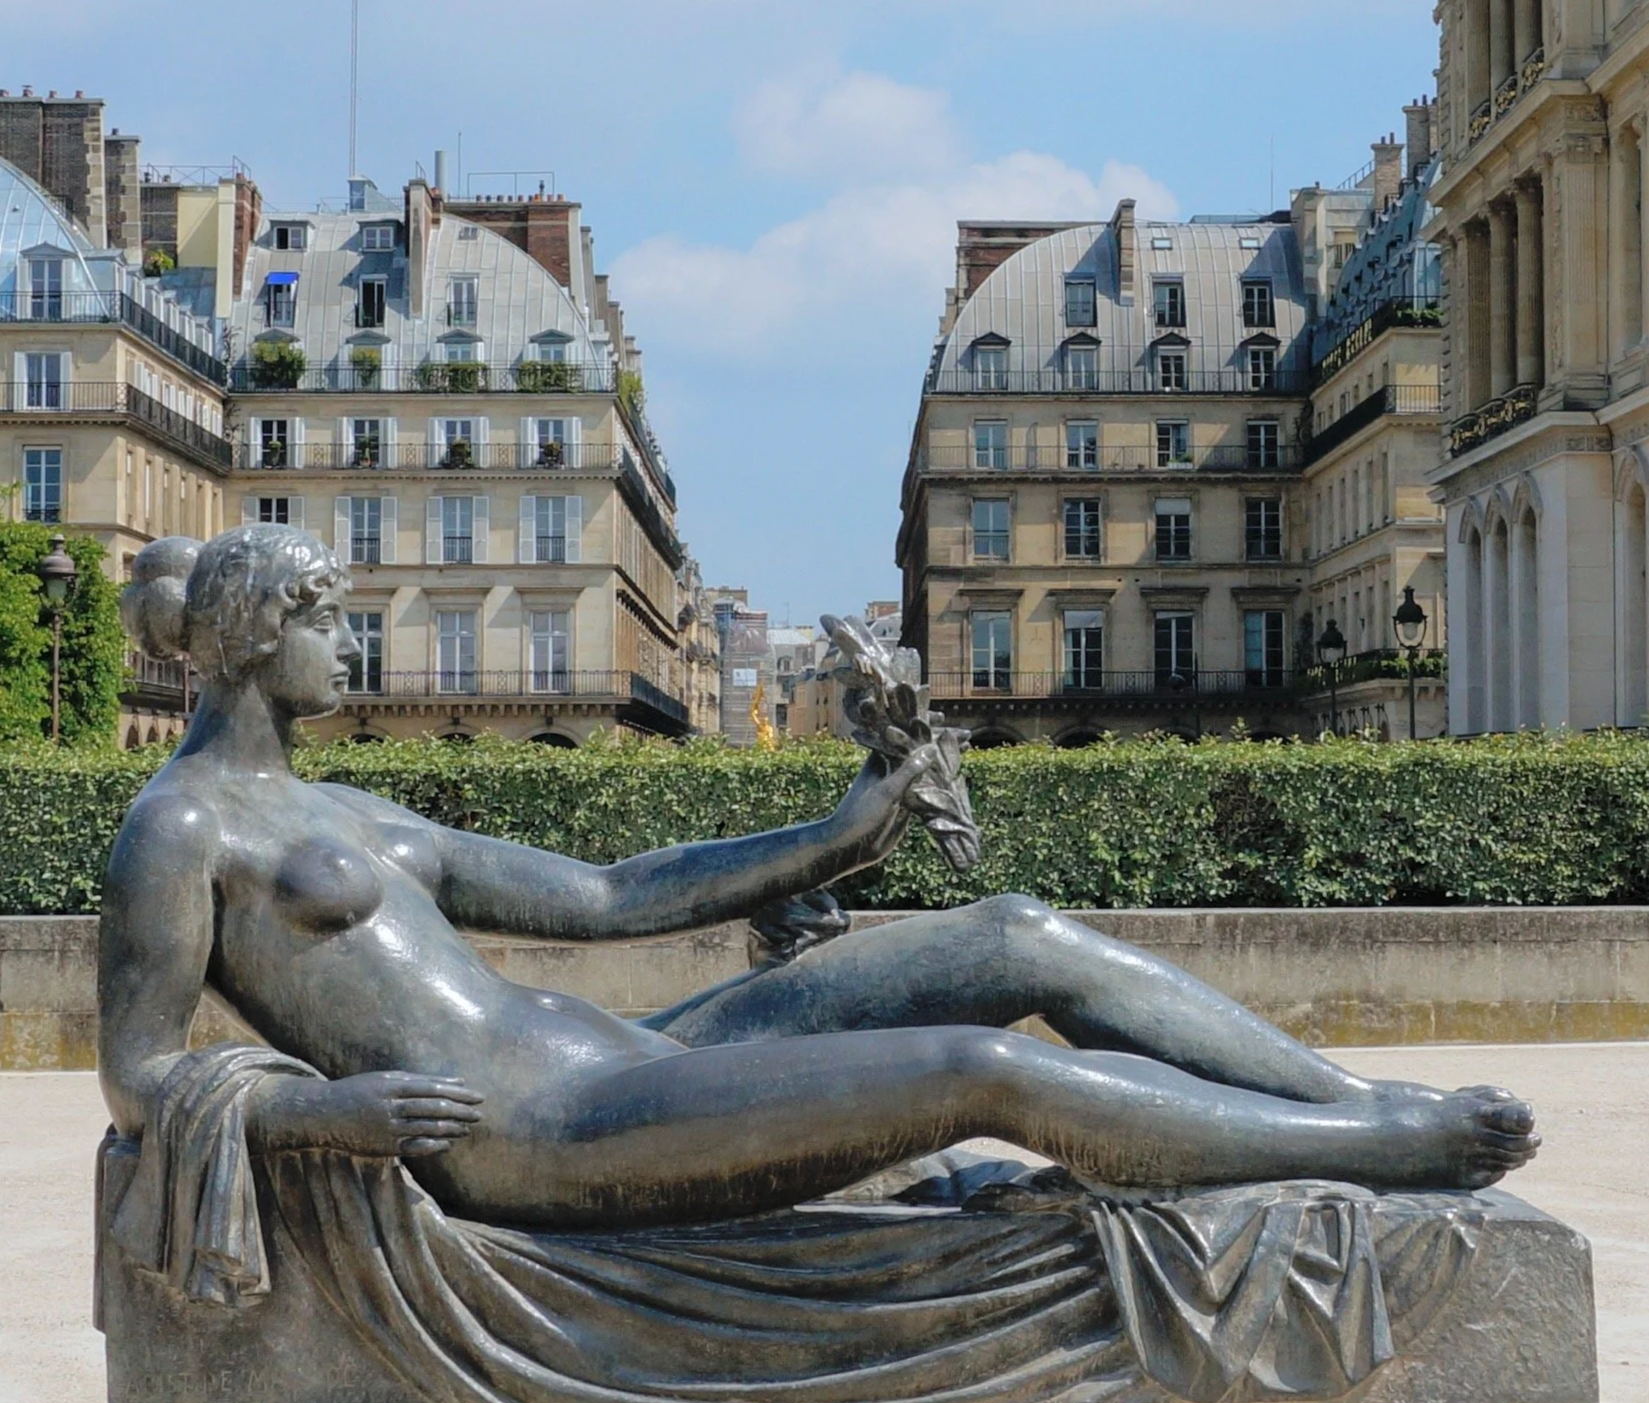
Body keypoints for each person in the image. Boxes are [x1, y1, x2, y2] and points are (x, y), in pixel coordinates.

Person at [99, 526, 1537, 1233]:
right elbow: (141, 1069)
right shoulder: (179, 832)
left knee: (1011, 933)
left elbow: (610, 893)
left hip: (620, 1058)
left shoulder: (343, 804)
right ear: (246, 635)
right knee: (980, 1066)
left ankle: (1350, 1102)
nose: (343, 651)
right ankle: (1373, 1158)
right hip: (534, 1131)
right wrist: (318, 1112)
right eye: (320, 624)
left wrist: (845, 830)